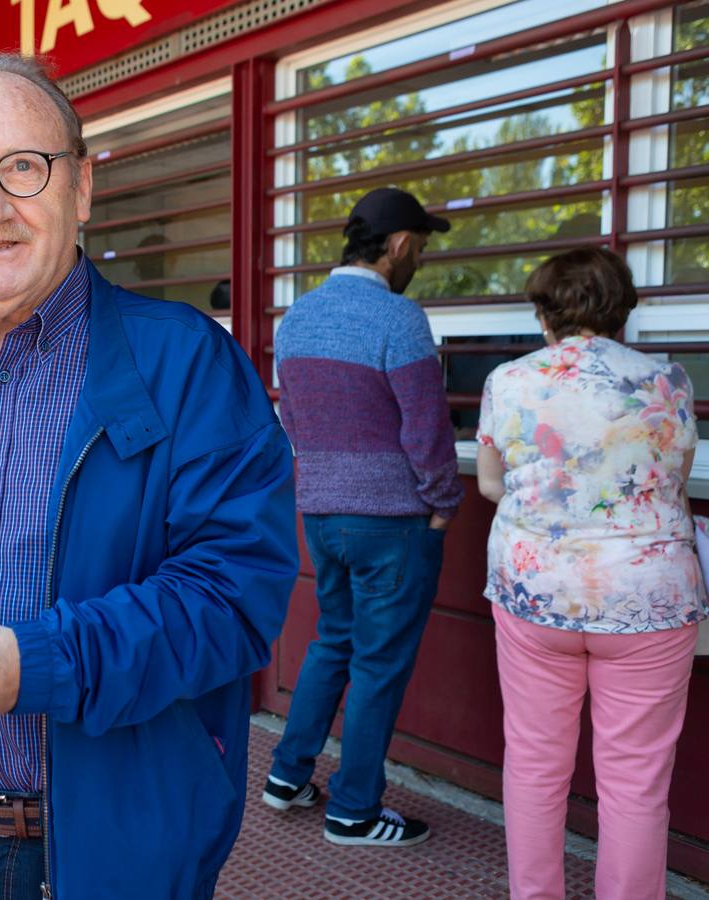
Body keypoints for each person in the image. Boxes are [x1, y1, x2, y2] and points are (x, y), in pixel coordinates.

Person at [0, 53, 299, 899]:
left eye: (23, 167)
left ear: (81, 186)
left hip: (117, 842)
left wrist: (35, 664)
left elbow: (235, 596)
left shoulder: (188, 363)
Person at [476, 247, 705, 898]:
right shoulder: (668, 380)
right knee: (636, 782)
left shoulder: (508, 380)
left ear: (544, 312)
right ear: (620, 309)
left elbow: (490, 483)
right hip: (648, 599)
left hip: (536, 594)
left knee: (533, 763)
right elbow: (671, 483)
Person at [265, 186, 462, 846]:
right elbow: (427, 428)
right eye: (420, 248)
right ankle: (353, 811)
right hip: (391, 521)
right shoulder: (398, 318)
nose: (419, 262)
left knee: (333, 642)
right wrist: (443, 505)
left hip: (321, 515)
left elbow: (291, 419)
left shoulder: (297, 317)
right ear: (398, 245)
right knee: (377, 665)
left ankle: (287, 775)